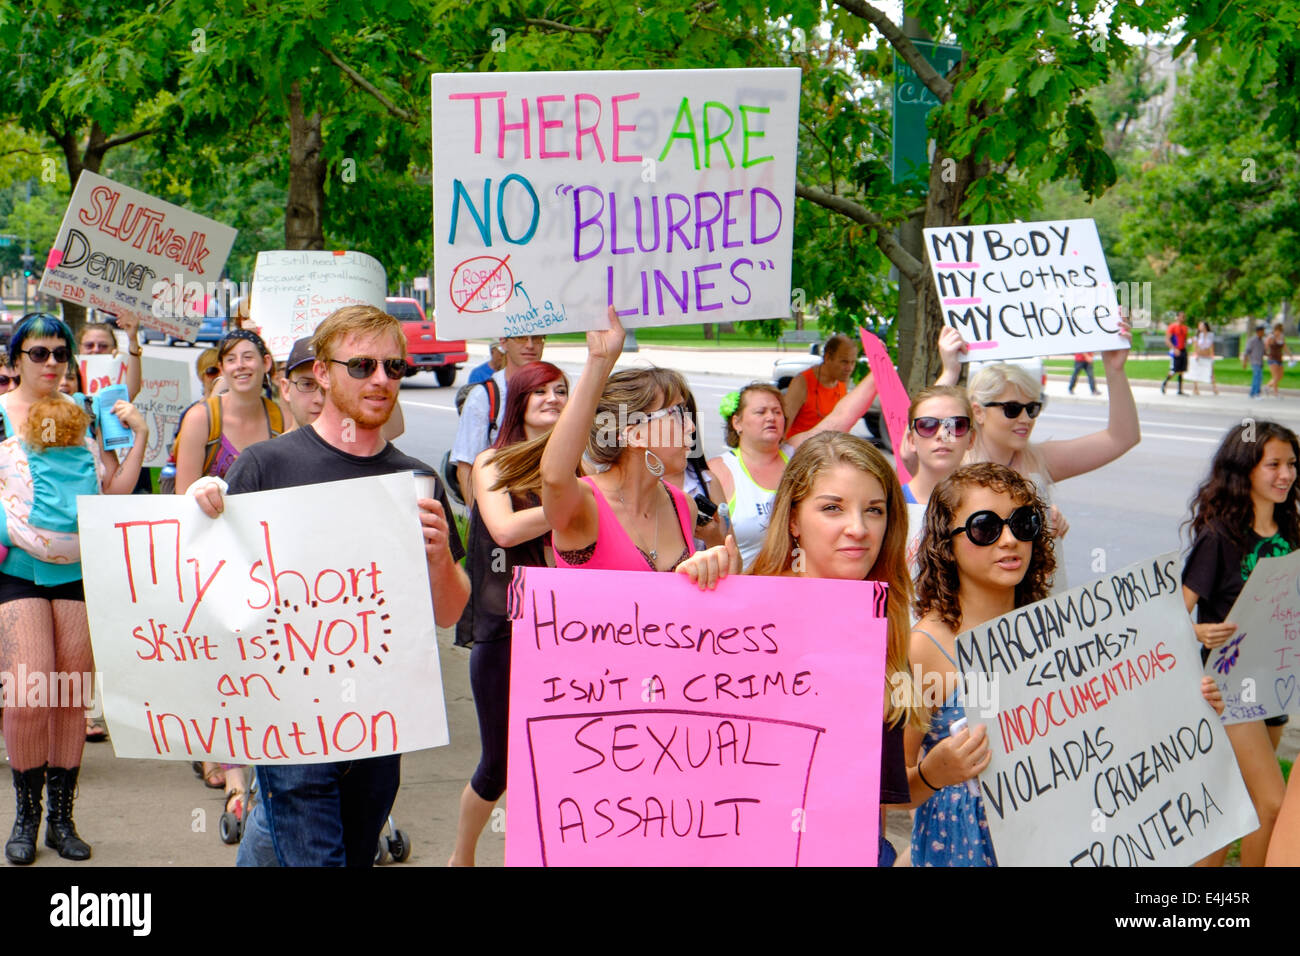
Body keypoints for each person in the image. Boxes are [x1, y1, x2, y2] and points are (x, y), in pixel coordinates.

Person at [191, 304, 469, 866]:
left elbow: (449, 612)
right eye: (362, 365)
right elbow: (216, 596)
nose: (381, 380)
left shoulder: (413, 479)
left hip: (379, 721)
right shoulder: (265, 466)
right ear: (321, 371)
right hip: (290, 718)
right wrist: (201, 516)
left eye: (394, 367)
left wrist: (439, 559)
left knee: (328, 849)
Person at [677, 432, 926, 866]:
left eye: (875, 510)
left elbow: (878, 791)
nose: (859, 528)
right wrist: (697, 599)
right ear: (793, 519)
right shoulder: (744, 616)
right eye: (833, 507)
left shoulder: (888, 621)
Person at [0, 313, 149, 864]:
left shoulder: (84, 415)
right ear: (15, 359)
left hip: (77, 572)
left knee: (68, 697)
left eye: (60, 353)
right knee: (27, 693)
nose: (52, 364)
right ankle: (24, 818)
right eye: (38, 353)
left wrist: (140, 439)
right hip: (16, 571)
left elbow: (114, 491)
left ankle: (61, 820)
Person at [450, 361, 568, 866]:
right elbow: (504, 530)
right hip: (505, 629)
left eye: (562, 391)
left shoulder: (577, 465)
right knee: (498, 765)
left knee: (559, 761)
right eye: (539, 391)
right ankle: (462, 856)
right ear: (518, 399)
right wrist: (574, 505)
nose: (553, 399)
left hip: (569, 632)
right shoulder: (492, 463)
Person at [173, 329, 284, 815]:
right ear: (220, 368)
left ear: (265, 364)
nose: (240, 366)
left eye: (249, 357)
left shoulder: (284, 415)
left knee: (267, 667)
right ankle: (238, 780)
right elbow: (180, 498)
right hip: (217, 563)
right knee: (228, 668)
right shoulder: (202, 418)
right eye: (230, 359)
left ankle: (273, 769)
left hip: (275, 561)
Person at [1182, 420, 1298, 867]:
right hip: (1229, 687)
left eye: (1291, 464)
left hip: (1278, 682)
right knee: (1271, 803)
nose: (1285, 475)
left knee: (1234, 801)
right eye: (1273, 465)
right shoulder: (1219, 537)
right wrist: (1196, 630)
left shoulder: (1293, 531)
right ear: (1244, 469)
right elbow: (1173, 614)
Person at [540, 310, 697, 572]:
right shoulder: (584, 504)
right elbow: (554, 476)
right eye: (677, 413)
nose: (691, 426)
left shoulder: (683, 506)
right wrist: (599, 360)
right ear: (635, 434)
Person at [963, 320, 1138, 539]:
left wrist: (1115, 370)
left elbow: (1122, 437)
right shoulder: (952, 463)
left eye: (1032, 408)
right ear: (978, 412)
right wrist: (950, 369)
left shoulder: (1037, 459)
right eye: (1012, 409)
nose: (1026, 419)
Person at [450, 335, 546, 508]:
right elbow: (465, 467)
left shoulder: (554, 393)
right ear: (503, 341)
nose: (530, 345)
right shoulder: (483, 396)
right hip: (501, 511)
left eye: (538, 338)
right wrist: (479, 525)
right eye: (521, 338)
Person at [899, 386, 976, 507]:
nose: (942, 434)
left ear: (971, 439)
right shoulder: (890, 505)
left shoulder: (988, 505)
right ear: (911, 441)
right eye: (927, 425)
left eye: (955, 425)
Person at [781, 333, 855, 438]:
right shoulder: (802, 382)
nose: (849, 368)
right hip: (801, 451)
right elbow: (782, 426)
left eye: (853, 362)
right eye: (844, 362)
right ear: (828, 357)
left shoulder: (842, 381)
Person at [76, 316, 142, 400]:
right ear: (79, 347)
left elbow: (131, 392)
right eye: (89, 345)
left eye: (103, 346)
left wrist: (132, 340)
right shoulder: (68, 369)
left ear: (114, 348)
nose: (96, 350)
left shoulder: (118, 370)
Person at [1161, 311, 1189, 395]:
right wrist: (1174, 349)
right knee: (1174, 370)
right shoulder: (1172, 327)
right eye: (1180, 316)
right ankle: (1164, 383)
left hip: (1183, 350)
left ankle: (1180, 390)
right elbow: (1167, 340)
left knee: (1181, 370)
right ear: (1176, 317)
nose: (1182, 318)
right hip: (1175, 350)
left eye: (1183, 316)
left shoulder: (1185, 328)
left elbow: (1184, 339)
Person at [1192, 320, 1219, 397]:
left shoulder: (1211, 335)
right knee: (1196, 372)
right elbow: (1196, 345)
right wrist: (1196, 354)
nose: (1200, 327)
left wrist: (1212, 354)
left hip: (1207, 355)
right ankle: (1195, 388)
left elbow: (1211, 345)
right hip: (1199, 354)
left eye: (1202, 325)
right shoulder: (1198, 335)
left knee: (1211, 372)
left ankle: (1214, 388)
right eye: (1199, 326)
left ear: (1205, 326)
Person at [1266, 322, 1293, 398]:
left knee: (1280, 376)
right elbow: (1266, 346)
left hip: (1279, 358)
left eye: (1280, 331)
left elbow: (1285, 347)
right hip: (1272, 358)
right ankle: (1276, 393)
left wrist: (1290, 355)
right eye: (1278, 330)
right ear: (1275, 330)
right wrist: (1266, 354)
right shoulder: (1271, 337)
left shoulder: (1282, 337)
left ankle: (1267, 387)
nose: (1279, 332)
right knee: (1275, 376)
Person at [1244, 322, 1267, 400]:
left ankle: (1252, 393)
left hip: (1260, 362)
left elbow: (1263, 352)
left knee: (1258, 378)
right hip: (1254, 362)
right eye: (1262, 331)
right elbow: (1247, 351)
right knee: (1257, 378)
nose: (1263, 333)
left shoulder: (1262, 341)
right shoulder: (1252, 340)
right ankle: (1257, 393)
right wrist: (1245, 362)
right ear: (1258, 332)